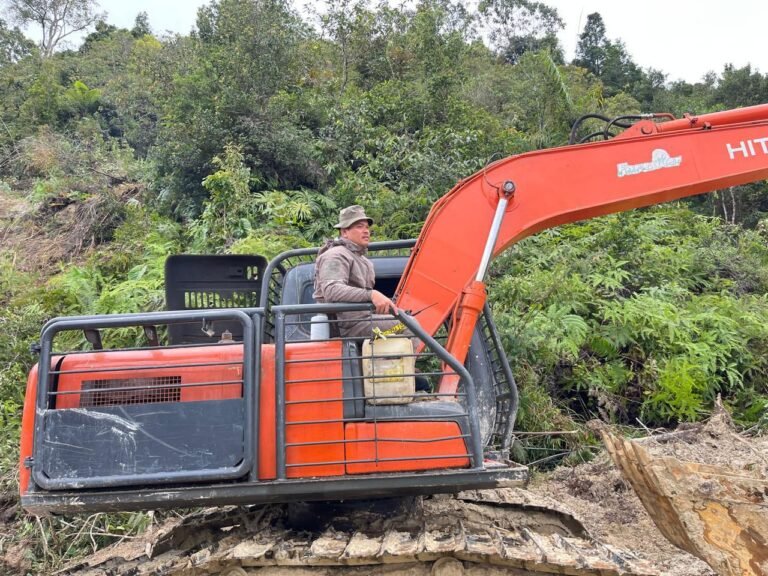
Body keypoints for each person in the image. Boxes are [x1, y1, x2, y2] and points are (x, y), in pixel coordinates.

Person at [313, 205, 405, 339]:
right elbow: (331, 290)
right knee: (406, 325)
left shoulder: (363, 261)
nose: (366, 231)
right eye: (359, 227)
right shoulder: (335, 255)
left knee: (403, 318)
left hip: (362, 321)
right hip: (347, 326)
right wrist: (371, 295)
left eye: (367, 227)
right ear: (344, 232)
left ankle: (384, 349)